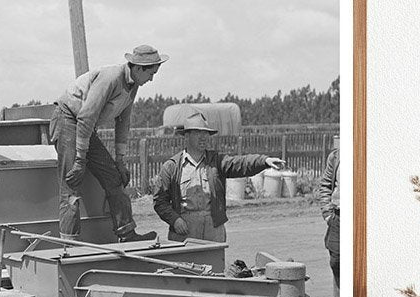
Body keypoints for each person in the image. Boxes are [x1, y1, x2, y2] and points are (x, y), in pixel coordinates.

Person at [50, 45, 167, 244]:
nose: (151, 79)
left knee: (114, 177)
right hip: (67, 120)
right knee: (72, 183)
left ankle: (127, 234)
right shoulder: (111, 78)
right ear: (138, 68)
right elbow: (86, 117)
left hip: (85, 126)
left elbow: (123, 122)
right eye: (151, 73)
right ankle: (69, 245)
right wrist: (80, 160)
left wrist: (120, 160)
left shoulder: (133, 85)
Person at [153, 111, 284, 242]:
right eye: (198, 133)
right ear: (186, 136)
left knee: (215, 261)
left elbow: (240, 163)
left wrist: (264, 161)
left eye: (206, 133)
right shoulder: (172, 167)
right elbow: (160, 201)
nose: (203, 137)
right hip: (184, 229)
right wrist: (175, 220)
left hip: (213, 227)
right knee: (183, 263)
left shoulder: (217, 162)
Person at [317, 142, 340, 297]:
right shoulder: (337, 156)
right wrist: (327, 212)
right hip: (339, 216)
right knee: (336, 260)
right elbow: (325, 185)